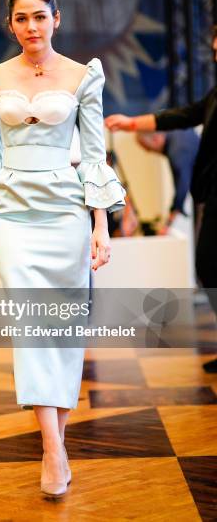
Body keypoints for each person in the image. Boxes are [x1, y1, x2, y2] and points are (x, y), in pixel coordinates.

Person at [0, 0, 125, 497]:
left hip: (66, 212)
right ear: (11, 25)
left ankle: (56, 437)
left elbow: (95, 156)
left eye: (40, 16)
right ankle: (53, 449)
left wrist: (101, 225)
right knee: (32, 321)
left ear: (57, 19)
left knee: (62, 326)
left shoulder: (83, 76)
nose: (32, 26)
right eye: (21, 18)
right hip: (9, 211)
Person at [105, 30, 217, 374]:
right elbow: (185, 115)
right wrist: (132, 123)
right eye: (214, 44)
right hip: (212, 193)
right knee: (208, 267)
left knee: (209, 264)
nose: (215, 50)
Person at [136, 129, 199, 233]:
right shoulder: (177, 132)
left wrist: (169, 222)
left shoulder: (176, 151)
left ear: (156, 139)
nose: (149, 153)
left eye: (148, 148)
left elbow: (181, 187)